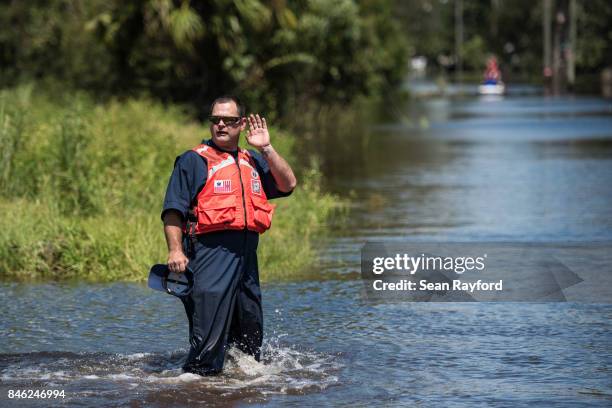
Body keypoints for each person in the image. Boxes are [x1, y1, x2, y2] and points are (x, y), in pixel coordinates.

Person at [160, 95, 297, 375]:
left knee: (249, 337)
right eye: (215, 120)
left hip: (246, 257)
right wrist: (175, 250)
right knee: (208, 340)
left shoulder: (252, 160)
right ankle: (195, 387)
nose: (221, 125)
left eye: (229, 120)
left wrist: (268, 148)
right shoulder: (194, 161)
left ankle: (234, 389)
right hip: (211, 255)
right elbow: (173, 210)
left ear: (241, 124)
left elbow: (288, 184)